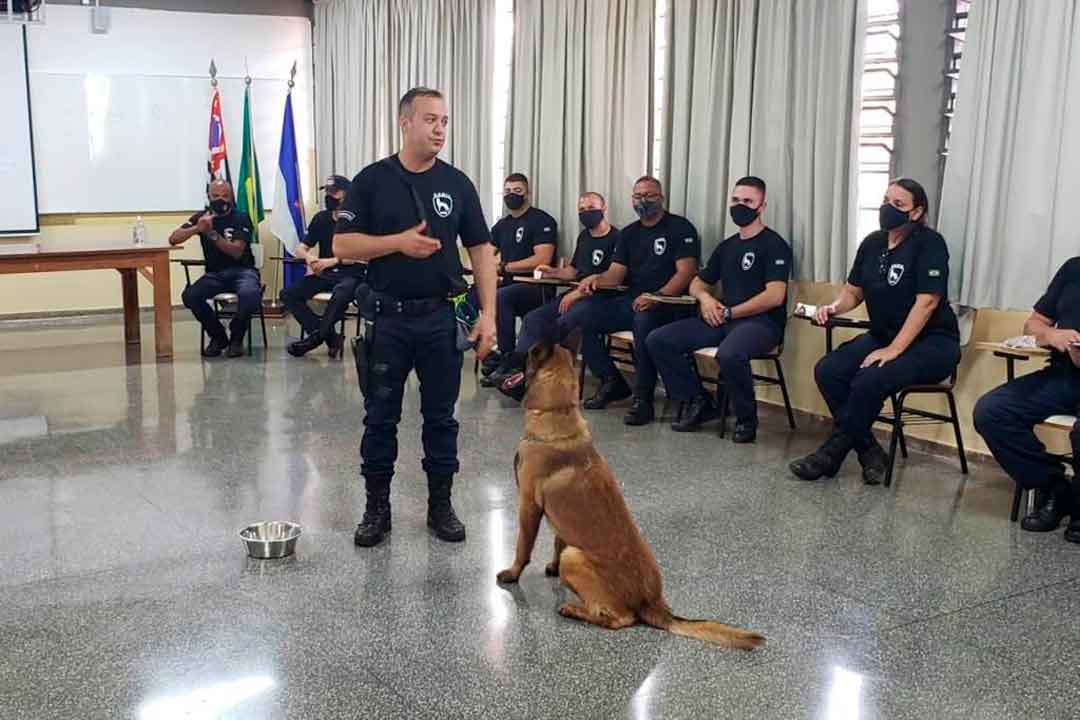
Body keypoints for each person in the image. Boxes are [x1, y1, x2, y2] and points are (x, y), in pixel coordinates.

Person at [332, 87, 497, 548]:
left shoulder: (458, 184)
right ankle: (376, 508)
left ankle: (440, 505)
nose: (439, 129)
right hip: (388, 320)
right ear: (405, 123)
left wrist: (489, 315)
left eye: (444, 121)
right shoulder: (371, 181)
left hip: (440, 320)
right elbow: (343, 246)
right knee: (380, 417)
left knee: (441, 418)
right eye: (430, 120)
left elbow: (482, 250)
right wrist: (397, 242)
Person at [789, 178, 960, 486]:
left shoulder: (930, 244)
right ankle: (869, 451)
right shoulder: (872, 243)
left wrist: (894, 349)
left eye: (898, 204)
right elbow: (854, 292)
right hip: (883, 336)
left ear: (917, 212)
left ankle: (830, 455)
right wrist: (835, 307)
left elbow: (928, 302)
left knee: (870, 378)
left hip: (932, 343)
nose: (887, 209)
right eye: (885, 200)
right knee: (829, 370)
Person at [646, 177, 791, 442]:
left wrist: (731, 313)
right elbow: (699, 281)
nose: (740, 206)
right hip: (722, 318)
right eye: (736, 200)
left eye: (748, 201)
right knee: (659, 339)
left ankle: (746, 420)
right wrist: (705, 299)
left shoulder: (774, 244)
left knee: (730, 354)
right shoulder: (728, 246)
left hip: (761, 324)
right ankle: (699, 401)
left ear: (762, 205)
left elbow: (775, 296)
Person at [574, 176, 700, 426]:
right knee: (580, 317)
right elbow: (616, 274)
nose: (643, 201)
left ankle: (643, 400)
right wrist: (595, 279)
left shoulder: (680, 227)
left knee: (643, 322)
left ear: (661, 198)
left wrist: (657, 296)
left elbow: (686, 272)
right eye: (638, 196)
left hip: (669, 303)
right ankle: (612, 382)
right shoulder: (630, 233)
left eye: (649, 195)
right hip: (633, 300)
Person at [974, 259, 1080, 543]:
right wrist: (1052, 335)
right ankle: (1056, 490)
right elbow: (1033, 324)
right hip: (1063, 376)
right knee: (992, 412)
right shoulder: (1073, 269)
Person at [494, 191, 620, 399]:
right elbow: (573, 271)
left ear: (604, 208)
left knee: (565, 322)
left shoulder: (617, 238)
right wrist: (553, 272)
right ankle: (517, 370)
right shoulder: (585, 237)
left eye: (591, 208)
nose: (586, 213)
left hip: (600, 297)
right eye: (582, 209)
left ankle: (524, 373)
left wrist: (578, 292)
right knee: (534, 319)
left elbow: (613, 276)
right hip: (575, 293)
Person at [475, 173, 557, 385]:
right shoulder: (502, 225)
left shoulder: (542, 220)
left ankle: (508, 360)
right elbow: (486, 253)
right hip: (509, 284)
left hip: (535, 288)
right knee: (464, 299)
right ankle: (489, 357)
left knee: (500, 297)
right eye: (508, 191)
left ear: (528, 193)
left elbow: (543, 258)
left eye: (517, 191)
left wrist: (504, 267)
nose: (512, 195)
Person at [169, 180, 260, 358]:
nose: (220, 200)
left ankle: (236, 337)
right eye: (216, 196)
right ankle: (218, 337)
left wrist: (211, 234)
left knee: (250, 294)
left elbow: (236, 252)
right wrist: (197, 228)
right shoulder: (202, 217)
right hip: (215, 274)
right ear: (209, 197)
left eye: (225, 196)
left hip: (242, 271)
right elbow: (174, 238)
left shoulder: (241, 217)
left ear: (231, 197)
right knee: (190, 295)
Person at [280, 175, 367, 359]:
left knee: (342, 293)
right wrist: (310, 259)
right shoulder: (321, 218)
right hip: (326, 273)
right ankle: (329, 336)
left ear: (347, 194)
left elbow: (363, 254)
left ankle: (316, 338)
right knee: (288, 294)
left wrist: (333, 260)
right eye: (327, 192)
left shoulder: (361, 218)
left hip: (352, 273)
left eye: (334, 192)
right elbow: (300, 248)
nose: (329, 196)